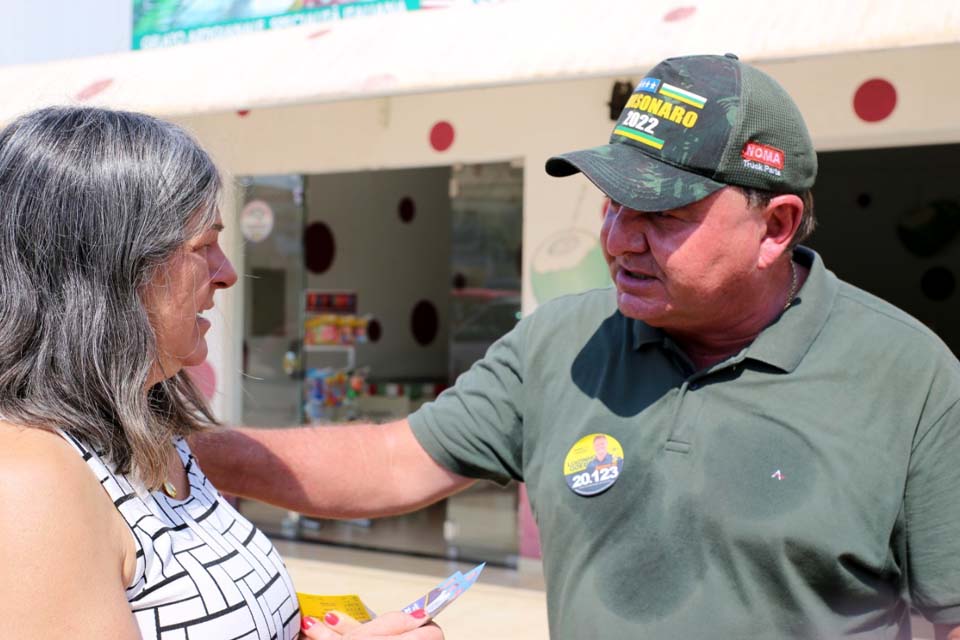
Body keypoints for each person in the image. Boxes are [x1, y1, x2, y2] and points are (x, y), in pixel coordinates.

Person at [191, 54, 960, 639]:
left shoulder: (911, 377)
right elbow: (394, 464)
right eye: (611, 202)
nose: (619, 239)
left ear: (777, 226)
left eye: (662, 213)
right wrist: (186, 449)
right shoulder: (562, 340)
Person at [0, 106, 439, 640]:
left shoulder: (154, 430)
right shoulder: (29, 483)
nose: (228, 273)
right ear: (108, 271)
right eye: (203, 246)